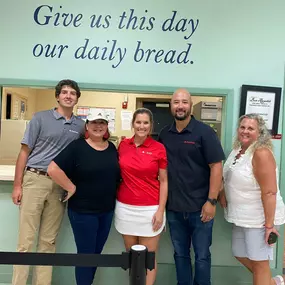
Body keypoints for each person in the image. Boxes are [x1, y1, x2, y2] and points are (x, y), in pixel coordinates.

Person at [11, 79, 85, 285]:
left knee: (48, 242)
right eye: (64, 92)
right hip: (35, 180)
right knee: (25, 242)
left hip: (59, 187)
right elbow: (24, 152)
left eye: (72, 93)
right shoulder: (40, 118)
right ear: (58, 96)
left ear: (77, 98)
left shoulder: (80, 126)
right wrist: (18, 185)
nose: (68, 96)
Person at [158, 88, 225, 285]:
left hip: (200, 208)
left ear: (191, 104)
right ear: (171, 105)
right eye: (176, 102)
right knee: (180, 254)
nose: (180, 106)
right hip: (174, 208)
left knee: (202, 256)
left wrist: (211, 201)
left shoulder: (204, 132)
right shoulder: (164, 134)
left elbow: (216, 167)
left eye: (184, 102)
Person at [48, 111, 120, 285]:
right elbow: (53, 169)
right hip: (83, 212)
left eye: (102, 122)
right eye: (94, 122)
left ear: (107, 126)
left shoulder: (111, 148)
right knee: (86, 255)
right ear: (87, 125)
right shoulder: (77, 147)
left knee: (95, 255)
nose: (98, 126)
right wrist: (70, 187)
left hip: (106, 211)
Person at [219, 113, 285, 285]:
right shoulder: (237, 151)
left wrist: (269, 226)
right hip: (242, 217)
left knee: (260, 264)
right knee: (239, 252)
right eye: (242, 127)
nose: (245, 131)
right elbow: (228, 177)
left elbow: (270, 192)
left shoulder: (261, 153)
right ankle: (273, 283)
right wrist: (223, 193)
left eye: (250, 128)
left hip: (260, 220)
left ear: (260, 132)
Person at [114, 107, 168, 285]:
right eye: (138, 122)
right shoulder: (123, 145)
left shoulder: (158, 148)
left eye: (146, 123)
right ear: (133, 124)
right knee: (131, 257)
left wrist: (160, 210)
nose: (142, 126)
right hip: (125, 208)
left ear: (151, 125)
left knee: (148, 258)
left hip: (150, 210)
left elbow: (164, 181)